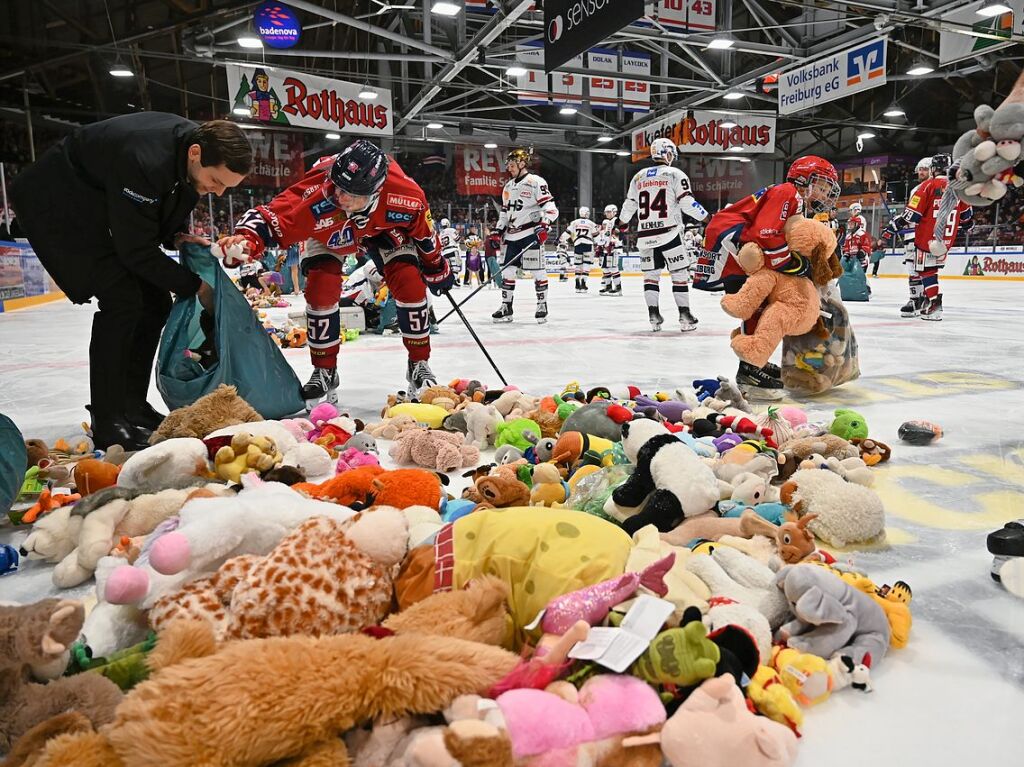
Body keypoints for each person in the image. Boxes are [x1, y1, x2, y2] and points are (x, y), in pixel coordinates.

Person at [8, 114, 251, 450]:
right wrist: (195, 285)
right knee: (122, 299)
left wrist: (179, 238)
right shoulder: (145, 159)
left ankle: (132, 405)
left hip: (94, 202)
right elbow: (135, 249)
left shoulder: (189, 164)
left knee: (155, 302)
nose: (219, 192)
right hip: (55, 205)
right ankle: (107, 418)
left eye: (227, 187)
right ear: (195, 153)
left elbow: (156, 224)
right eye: (216, 180)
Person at [219, 139, 453, 404]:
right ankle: (325, 369)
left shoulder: (406, 195)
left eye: (350, 193)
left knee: (411, 284)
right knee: (320, 288)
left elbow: (425, 235)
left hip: (384, 229)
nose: (339, 197)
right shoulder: (321, 190)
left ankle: (418, 364)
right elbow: (269, 217)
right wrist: (245, 241)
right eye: (338, 187)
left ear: (375, 192)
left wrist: (437, 268)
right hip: (329, 231)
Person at [696, 155, 841, 398]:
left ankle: (754, 364)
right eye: (822, 186)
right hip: (734, 247)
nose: (825, 194)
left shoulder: (793, 198)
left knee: (761, 306)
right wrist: (792, 264)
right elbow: (764, 233)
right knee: (757, 306)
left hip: (739, 246)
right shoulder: (788, 192)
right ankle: (750, 370)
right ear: (805, 179)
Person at [618, 138, 708, 333]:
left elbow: (629, 205)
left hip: (645, 236)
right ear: (667, 152)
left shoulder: (638, 177)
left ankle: (653, 315)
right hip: (669, 233)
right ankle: (685, 315)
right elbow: (686, 203)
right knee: (679, 275)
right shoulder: (675, 174)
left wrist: (623, 222)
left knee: (650, 277)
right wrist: (706, 217)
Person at [883, 153, 972, 321]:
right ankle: (927, 302)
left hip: (927, 238)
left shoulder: (927, 186)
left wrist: (893, 226)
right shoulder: (958, 187)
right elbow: (967, 216)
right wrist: (967, 225)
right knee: (929, 270)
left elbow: (912, 215)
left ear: (933, 169)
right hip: (946, 240)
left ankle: (933, 303)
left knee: (925, 270)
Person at [490, 148, 559, 324]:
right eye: (508, 165)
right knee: (508, 272)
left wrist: (545, 223)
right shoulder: (508, 186)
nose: (509, 168)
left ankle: (542, 305)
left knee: (537, 271)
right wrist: (498, 231)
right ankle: (506, 306)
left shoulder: (535, 181)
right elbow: (505, 213)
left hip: (530, 234)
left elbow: (550, 207)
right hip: (512, 236)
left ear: (522, 164)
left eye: (512, 164)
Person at [886, 157, 931, 316]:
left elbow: (912, 213)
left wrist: (899, 221)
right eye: (919, 168)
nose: (921, 171)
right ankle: (925, 299)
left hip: (917, 233)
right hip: (926, 234)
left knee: (915, 268)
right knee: (924, 268)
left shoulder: (921, 189)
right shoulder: (934, 187)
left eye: (925, 169)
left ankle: (916, 300)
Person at [568, 206, 600, 294]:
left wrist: (560, 240)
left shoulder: (574, 222)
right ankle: (583, 283)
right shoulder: (591, 223)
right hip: (588, 244)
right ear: (586, 213)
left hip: (577, 244)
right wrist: (601, 243)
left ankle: (577, 282)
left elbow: (568, 233)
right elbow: (596, 236)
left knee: (578, 265)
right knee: (586, 264)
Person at [598, 204, 624, 296]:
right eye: (606, 212)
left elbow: (620, 233)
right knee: (605, 268)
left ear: (614, 212)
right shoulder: (608, 222)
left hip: (614, 248)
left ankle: (618, 288)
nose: (607, 214)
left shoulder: (616, 220)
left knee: (613, 268)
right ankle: (608, 286)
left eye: (609, 212)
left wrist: (614, 241)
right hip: (606, 249)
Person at [439, 217, 462, 286]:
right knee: (456, 265)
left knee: (449, 267)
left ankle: (451, 280)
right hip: (452, 250)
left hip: (444, 252)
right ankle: (455, 279)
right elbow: (457, 239)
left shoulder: (440, 234)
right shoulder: (451, 230)